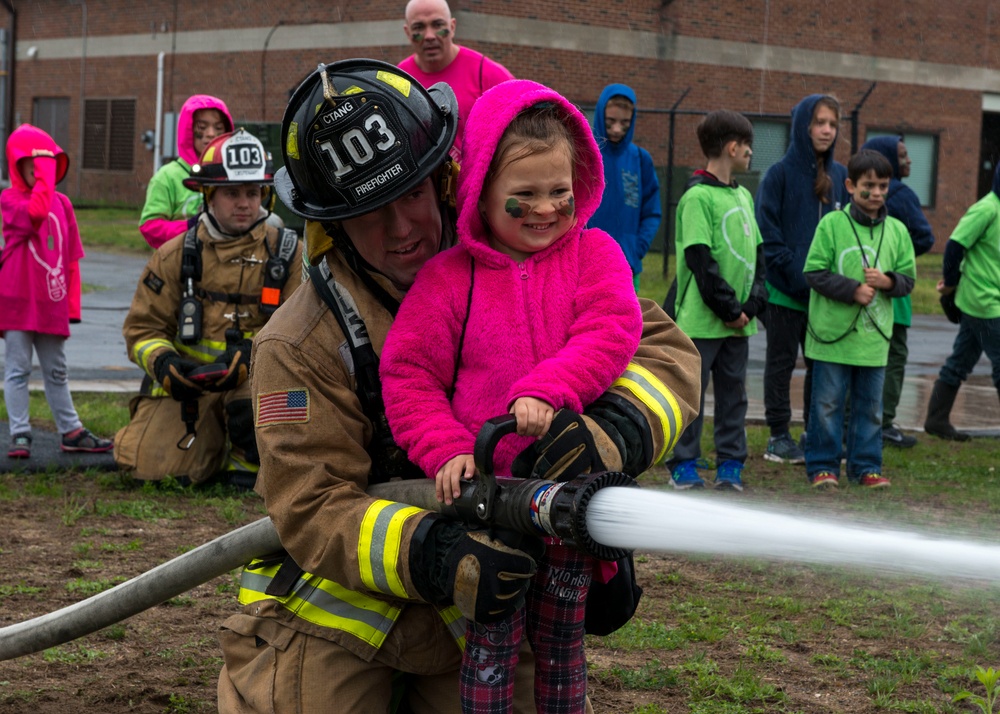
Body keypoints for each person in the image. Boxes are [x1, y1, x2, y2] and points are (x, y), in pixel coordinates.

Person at [216, 58, 701, 714]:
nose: (404, 229)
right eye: (369, 213)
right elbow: (311, 508)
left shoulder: (538, 258)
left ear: (445, 175)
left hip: (488, 603)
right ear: (328, 222)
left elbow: (664, 354)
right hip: (341, 607)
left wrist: (606, 434)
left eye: (413, 194)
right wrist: (437, 552)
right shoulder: (298, 344)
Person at [379, 80, 642, 713]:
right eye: (523, 197)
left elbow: (613, 328)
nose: (547, 209)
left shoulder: (595, 255)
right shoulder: (449, 280)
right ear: (479, 193)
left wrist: (551, 388)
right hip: (488, 509)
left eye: (560, 192)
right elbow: (409, 372)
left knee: (561, 643)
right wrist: (445, 450)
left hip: (565, 496)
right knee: (490, 645)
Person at [115, 129, 302, 488]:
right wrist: (165, 364)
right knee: (148, 468)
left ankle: (251, 463)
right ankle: (212, 446)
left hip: (260, 385)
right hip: (191, 387)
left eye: (252, 192)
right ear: (208, 196)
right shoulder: (174, 255)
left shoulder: (290, 254)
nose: (244, 203)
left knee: (266, 404)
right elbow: (141, 330)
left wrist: (254, 356)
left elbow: (305, 334)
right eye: (231, 193)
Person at [666, 110, 767, 492]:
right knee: (691, 396)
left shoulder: (743, 195)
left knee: (733, 397)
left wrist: (751, 305)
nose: (750, 154)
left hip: (738, 325)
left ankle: (730, 463)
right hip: (701, 322)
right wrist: (729, 309)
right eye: (748, 147)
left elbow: (759, 257)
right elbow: (699, 261)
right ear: (732, 147)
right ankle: (684, 462)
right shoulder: (697, 197)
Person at [802, 150, 915, 489]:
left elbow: (908, 278)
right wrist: (852, 289)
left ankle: (866, 466)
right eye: (869, 185)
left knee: (870, 408)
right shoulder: (832, 224)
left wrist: (889, 282)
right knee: (827, 405)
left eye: (883, 185)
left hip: (874, 343)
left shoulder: (896, 230)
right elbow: (814, 272)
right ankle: (823, 466)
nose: (877, 192)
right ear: (850, 186)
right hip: (831, 340)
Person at [0, 124, 114, 459]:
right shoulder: (9, 199)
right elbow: (34, 214)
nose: (41, 173)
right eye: (33, 166)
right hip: (17, 301)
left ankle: (71, 431)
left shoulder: (63, 205)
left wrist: (71, 307)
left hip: (51, 302)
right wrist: (45, 173)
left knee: (56, 369)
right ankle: (20, 433)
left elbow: (71, 260)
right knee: (17, 369)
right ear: (17, 165)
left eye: (47, 165)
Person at [756, 94, 849, 464]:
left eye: (832, 124)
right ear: (803, 126)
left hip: (824, 296)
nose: (826, 130)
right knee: (781, 365)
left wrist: (829, 283)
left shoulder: (841, 177)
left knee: (820, 366)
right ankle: (779, 437)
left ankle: (817, 434)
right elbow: (769, 237)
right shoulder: (778, 174)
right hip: (784, 293)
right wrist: (801, 277)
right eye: (819, 122)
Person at [859, 135, 936, 448]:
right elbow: (926, 237)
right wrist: (895, 261)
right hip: (888, 292)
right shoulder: (902, 194)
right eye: (903, 155)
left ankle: (864, 420)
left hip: (871, 285)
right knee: (893, 357)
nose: (910, 161)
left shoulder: (891, 195)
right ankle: (884, 422)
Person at [924, 162, 1000, 442]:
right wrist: (951, 284)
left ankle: (936, 419)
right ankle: (936, 419)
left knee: (962, 359)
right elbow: (955, 245)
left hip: (990, 300)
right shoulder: (987, 208)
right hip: (982, 300)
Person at [398, 0, 513, 160]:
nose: (429, 36)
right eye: (419, 27)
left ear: (452, 27)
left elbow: (520, 131)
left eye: (437, 25)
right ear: (408, 32)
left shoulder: (488, 74)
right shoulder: (397, 78)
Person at [589, 83, 662, 291]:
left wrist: (636, 248)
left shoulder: (640, 159)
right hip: (585, 264)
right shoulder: (584, 153)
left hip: (626, 267)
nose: (617, 129)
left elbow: (652, 212)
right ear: (601, 115)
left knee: (625, 322)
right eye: (610, 121)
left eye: (625, 122)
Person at [138, 94, 233, 249]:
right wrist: (190, 227)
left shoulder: (233, 172)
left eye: (218, 128)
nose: (211, 133)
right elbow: (150, 227)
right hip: (181, 264)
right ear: (188, 130)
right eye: (202, 127)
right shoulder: (168, 176)